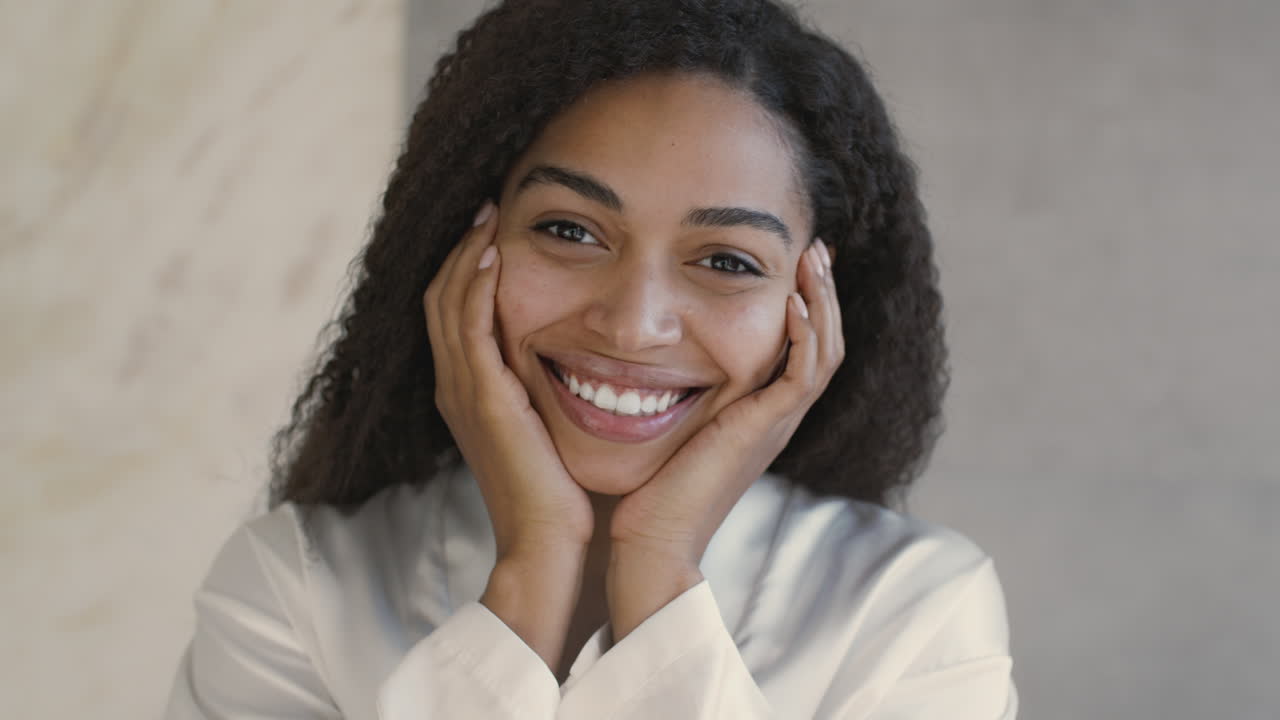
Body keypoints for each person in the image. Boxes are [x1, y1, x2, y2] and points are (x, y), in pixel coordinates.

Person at [164, 0, 1017, 717]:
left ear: (813, 309)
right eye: (569, 230)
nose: (634, 325)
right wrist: (532, 567)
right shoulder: (295, 586)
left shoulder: (913, 612)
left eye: (725, 261)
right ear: (461, 243)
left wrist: (659, 564)